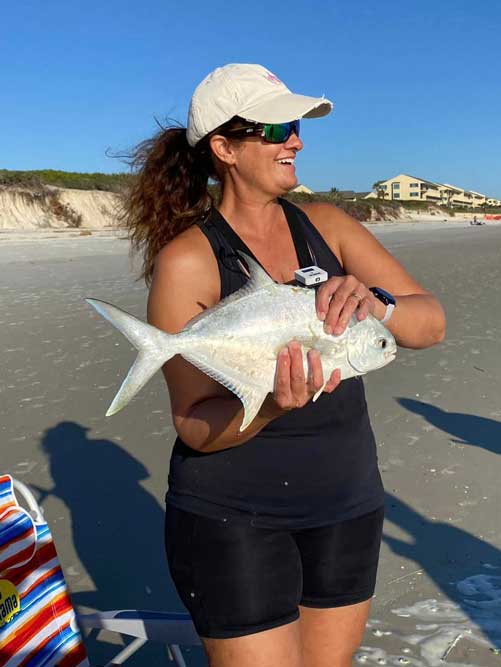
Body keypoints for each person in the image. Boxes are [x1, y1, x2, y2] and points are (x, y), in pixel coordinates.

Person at [121, 64, 446, 667]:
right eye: (276, 128)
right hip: (234, 516)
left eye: (294, 125)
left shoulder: (328, 225)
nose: (295, 139)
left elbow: (430, 323)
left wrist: (378, 302)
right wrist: (271, 402)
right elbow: (194, 423)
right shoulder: (188, 261)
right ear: (224, 148)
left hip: (347, 504)